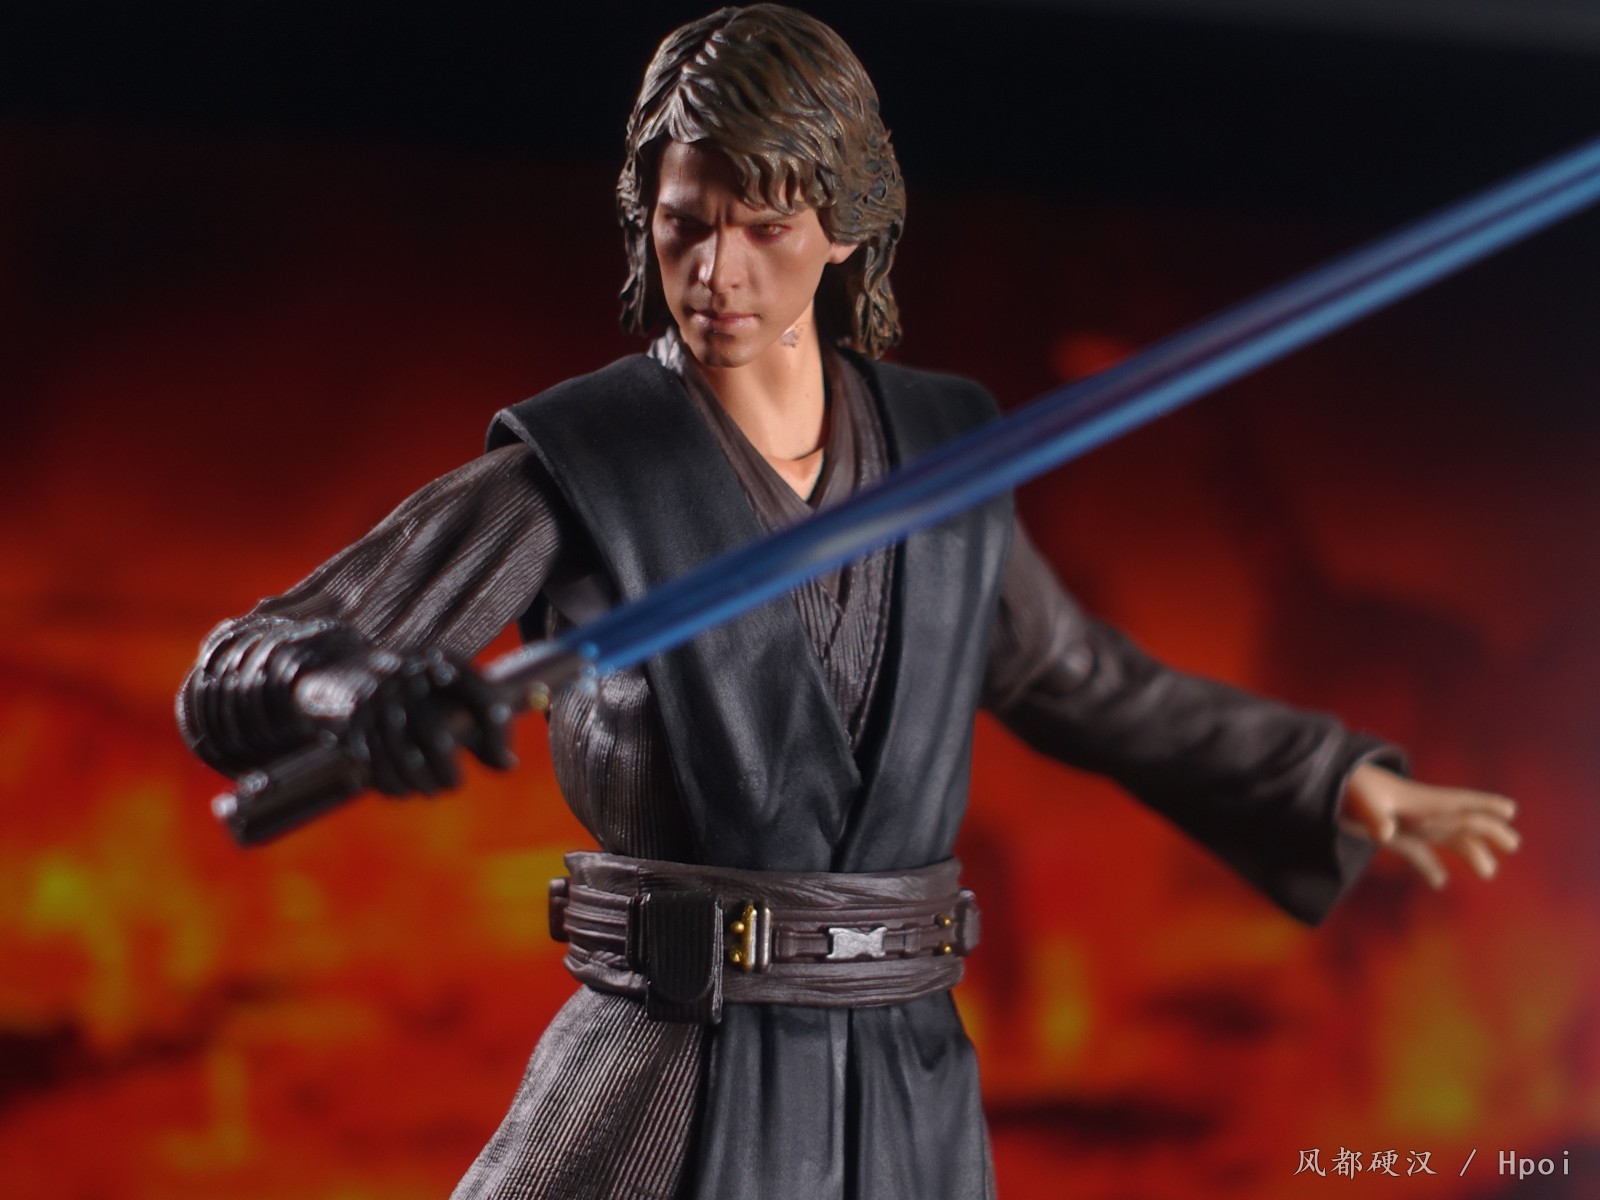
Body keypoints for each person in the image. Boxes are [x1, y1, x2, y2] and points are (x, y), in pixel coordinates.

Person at [177, 6, 1520, 1197]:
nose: (718, 271)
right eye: (686, 223)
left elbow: (1081, 684)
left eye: (764, 228)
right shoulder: (581, 463)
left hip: (903, 1081)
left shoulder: (943, 455)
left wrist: (1333, 783)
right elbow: (247, 659)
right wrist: (350, 689)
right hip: (670, 1064)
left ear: (846, 224)